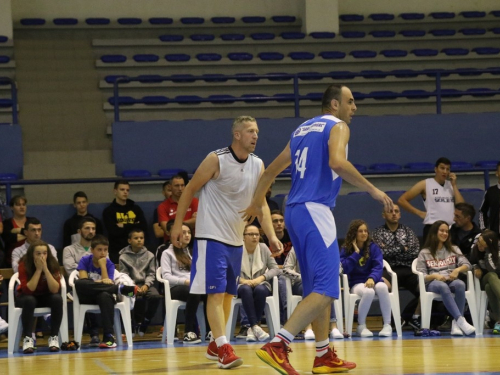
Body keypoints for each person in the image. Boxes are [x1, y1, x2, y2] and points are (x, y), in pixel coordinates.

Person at [242, 84, 393, 374]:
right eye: (350, 101)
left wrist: (255, 203)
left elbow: (270, 171)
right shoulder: (338, 126)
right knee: (327, 288)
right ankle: (279, 344)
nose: (355, 108)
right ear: (334, 105)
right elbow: (338, 162)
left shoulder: (301, 130)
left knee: (315, 288)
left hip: (294, 211)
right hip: (315, 210)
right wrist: (372, 189)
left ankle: (323, 354)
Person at [170, 115, 281, 369]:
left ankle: (214, 345)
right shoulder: (216, 159)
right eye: (251, 131)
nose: (256, 136)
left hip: (235, 239)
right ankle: (223, 346)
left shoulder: (258, 164)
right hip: (211, 237)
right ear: (237, 135)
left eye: (257, 132)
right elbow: (189, 190)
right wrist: (178, 225)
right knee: (216, 294)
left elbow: (261, 203)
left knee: (230, 295)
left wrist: (271, 236)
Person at [75, 235, 138, 348]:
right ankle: (119, 289)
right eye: (99, 250)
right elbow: (83, 281)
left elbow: (107, 283)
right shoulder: (85, 260)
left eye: (105, 250)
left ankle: (108, 336)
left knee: (104, 294)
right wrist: (102, 282)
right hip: (88, 297)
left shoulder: (109, 264)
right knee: (79, 284)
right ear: (92, 250)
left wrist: (103, 266)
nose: (103, 253)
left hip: (103, 297)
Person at [415, 220, 475, 335]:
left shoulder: (454, 249)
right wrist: (434, 276)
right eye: (442, 231)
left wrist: (457, 270)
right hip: (433, 283)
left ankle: (456, 324)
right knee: (442, 286)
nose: (445, 234)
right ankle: (460, 319)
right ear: (434, 233)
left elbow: (468, 265)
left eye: (447, 231)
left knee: (460, 284)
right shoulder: (424, 252)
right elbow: (420, 276)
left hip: (450, 280)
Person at [340, 220, 393, 337]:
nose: (364, 233)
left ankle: (387, 325)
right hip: (356, 283)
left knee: (383, 287)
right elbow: (344, 268)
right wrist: (356, 253)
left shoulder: (373, 247)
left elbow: (378, 266)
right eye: (360, 231)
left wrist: (372, 278)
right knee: (368, 292)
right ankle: (361, 325)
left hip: (373, 280)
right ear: (354, 233)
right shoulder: (346, 249)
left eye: (365, 231)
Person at [372, 205, 422, 329]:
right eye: (390, 211)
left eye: (396, 211)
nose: (394, 214)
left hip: (408, 269)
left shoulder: (407, 231)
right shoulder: (378, 233)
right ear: (384, 215)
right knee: (383, 287)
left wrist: (390, 251)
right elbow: (380, 253)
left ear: (400, 214)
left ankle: (411, 317)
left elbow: (414, 252)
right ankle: (393, 320)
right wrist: (401, 248)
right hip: (388, 269)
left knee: (425, 288)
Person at [279, 248, 344, 340]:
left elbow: (339, 268)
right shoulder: (297, 246)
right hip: (301, 282)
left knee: (326, 289)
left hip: (321, 281)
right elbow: (286, 269)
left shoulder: (326, 247)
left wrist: (326, 276)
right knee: (309, 288)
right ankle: (308, 327)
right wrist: (302, 277)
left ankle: (333, 326)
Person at [161, 223, 210, 344]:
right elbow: (166, 276)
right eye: (183, 232)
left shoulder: (193, 252)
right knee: (194, 290)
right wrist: (185, 281)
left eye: (189, 232)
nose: (187, 235)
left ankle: (210, 331)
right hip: (176, 288)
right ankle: (189, 331)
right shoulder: (167, 253)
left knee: (211, 293)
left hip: (194, 285)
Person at [398, 157, 465, 241]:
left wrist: (454, 185)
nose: (445, 171)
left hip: (451, 229)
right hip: (433, 228)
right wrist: (419, 213)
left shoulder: (451, 185)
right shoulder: (425, 184)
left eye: (447, 169)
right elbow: (402, 200)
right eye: (442, 168)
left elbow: (462, 207)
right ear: (436, 169)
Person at [16, 240, 63, 354]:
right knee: (30, 300)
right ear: (32, 254)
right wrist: (38, 270)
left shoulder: (53, 264)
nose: (42, 256)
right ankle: (28, 338)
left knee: (57, 298)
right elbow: (28, 290)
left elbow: (55, 289)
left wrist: (46, 269)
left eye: (45, 253)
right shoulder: (24, 265)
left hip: (45, 296)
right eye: (38, 253)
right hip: (27, 297)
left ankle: (53, 337)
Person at [238, 224, 281, 342]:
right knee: (246, 289)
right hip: (241, 284)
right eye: (251, 234)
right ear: (243, 237)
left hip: (260, 283)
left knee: (260, 290)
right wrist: (243, 281)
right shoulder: (237, 249)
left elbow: (275, 268)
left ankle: (252, 328)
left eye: (256, 234)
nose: (254, 237)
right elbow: (228, 271)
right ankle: (255, 326)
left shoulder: (263, 248)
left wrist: (261, 278)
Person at [119, 228, 161, 337]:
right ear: (129, 241)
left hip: (145, 284)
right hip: (130, 286)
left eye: (141, 238)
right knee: (126, 297)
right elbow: (124, 275)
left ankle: (146, 320)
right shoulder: (123, 256)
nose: (139, 240)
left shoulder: (150, 255)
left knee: (155, 296)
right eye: (136, 238)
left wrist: (146, 285)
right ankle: (131, 325)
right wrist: (133, 287)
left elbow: (151, 273)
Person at [102, 180, 148, 263]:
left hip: (136, 251)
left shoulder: (136, 209)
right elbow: (114, 232)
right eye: (122, 190)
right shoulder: (109, 211)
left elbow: (144, 227)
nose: (125, 192)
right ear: (115, 191)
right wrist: (134, 225)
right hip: (117, 251)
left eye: (127, 190)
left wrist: (124, 226)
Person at [470, 229, 500, 334]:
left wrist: (489, 252)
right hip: (484, 278)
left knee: (489, 287)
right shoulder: (475, 249)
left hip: (496, 282)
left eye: (482, 244)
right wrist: (476, 267)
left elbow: (494, 268)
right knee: (491, 276)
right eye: (479, 242)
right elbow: (471, 261)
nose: (479, 245)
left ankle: (498, 320)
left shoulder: (497, 251)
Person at [158, 175, 198, 242]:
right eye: (177, 186)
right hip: (172, 242)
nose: (180, 188)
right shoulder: (162, 206)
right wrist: (190, 222)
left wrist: (175, 225)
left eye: (182, 185)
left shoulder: (194, 201)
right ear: (170, 187)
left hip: (192, 241)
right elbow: (167, 229)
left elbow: (198, 221)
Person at [1, 195, 32, 268]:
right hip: (11, 261)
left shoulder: (32, 221)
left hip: (31, 258)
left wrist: (18, 230)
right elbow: (10, 239)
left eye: (23, 204)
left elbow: (36, 236)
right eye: (18, 205)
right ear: (12, 207)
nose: (22, 207)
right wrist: (29, 233)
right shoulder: (7, 223)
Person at [479, 162, 500, 235]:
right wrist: (484, 229)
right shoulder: (490, 192)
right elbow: (482, 211)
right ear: (497, 173)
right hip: (495, 235)